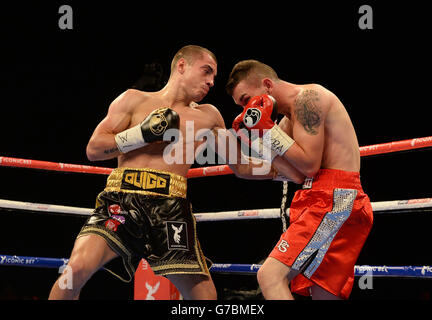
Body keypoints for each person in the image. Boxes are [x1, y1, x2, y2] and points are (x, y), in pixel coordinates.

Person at [48, 45, 279, 300]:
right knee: (75, 270)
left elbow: (243, 165)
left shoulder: (208, 116)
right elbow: (94, 149)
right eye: (206, 71)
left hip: (170, 211)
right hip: (119, 202)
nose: (211, 81)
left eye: (213, 76)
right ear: (182, 65)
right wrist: (140, 134)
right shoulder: (133, 99)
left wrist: (286, 167)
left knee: (204, 297)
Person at [227, 59, 374, 300]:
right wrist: (257, 139)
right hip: (319, 198)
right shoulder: (285, 121)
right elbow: (295, 174)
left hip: (335, 198)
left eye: (245, 100)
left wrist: (266, 131)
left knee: (270, 276)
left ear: (266, 85)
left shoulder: (309, 98)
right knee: (322, 293)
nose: (245, 110)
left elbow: (309, 164)